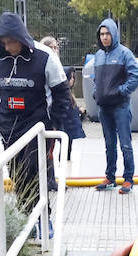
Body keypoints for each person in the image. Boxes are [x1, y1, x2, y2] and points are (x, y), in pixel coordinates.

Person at [0, 13, 73, 229]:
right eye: (4, 43)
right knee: (17, 175)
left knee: (35, 171)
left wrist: (55, 126)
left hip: (38, 127)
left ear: (20, 38)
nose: (9, 47)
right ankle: (27, 218)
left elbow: (61, 94)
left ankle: (42, 220)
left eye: (11, 42)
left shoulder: (45, 56)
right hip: (8, 128)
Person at [91, 18, 138, 193]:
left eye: (107, 33)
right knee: (109, 144)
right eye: (102, 34)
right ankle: (110, 178)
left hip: (120, 107)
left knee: (125, 144)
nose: (104, 37)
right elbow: (95, 80)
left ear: (114, 34)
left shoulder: (125, 54)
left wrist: (121, 91)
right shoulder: (98, 56)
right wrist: (96, 92)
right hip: (104, 108)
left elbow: (136, 77)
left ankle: (128, 179)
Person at [37, 35, 86, 188]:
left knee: (59, 145)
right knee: (46, 148)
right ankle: (47, 179)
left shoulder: (57, 63)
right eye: (50, 47)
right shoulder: (42, 62)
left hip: (59, 111)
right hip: (46, 112)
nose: (54, 50)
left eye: (56, 47)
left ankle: (53, 178)